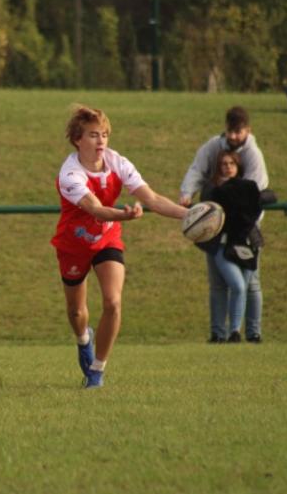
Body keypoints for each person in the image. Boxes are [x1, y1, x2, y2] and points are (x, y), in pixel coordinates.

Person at [51, 105, 188, 389]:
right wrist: (124, 215)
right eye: (92, 135)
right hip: (73, 244)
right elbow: (97, 210)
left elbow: (151, 199)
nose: (101, 141)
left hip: (107, 239)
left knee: (113, 301)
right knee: (77, 314)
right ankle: (83, 339)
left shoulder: (118, 163)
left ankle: (96, 371)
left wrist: (190, 214)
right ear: (77, 139)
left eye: (104, 135)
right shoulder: (70, 174)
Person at [179, 106, 269, 343]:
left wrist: (246, 225)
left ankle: (252, 333)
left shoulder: (253, 156)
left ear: (247, 131)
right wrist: (187, 193)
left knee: (250, 285)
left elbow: (256, 195)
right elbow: (197, 169)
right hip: (217, 233)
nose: (233, 136)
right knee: (220, 285)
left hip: (246, 231)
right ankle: (220, 334)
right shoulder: (213, 151)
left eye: (238, 131)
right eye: (230, 130)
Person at [197, 151, 275, 343]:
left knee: (248, 287)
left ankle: (247, 333)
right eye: (223, 163)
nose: (228, 167)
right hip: (222, 246)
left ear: (238, 166)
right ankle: (226, 332)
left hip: (248, 244)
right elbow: (208, 205)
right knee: (235, 286)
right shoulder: (213, 189)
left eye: (232, 163)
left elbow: (270, 196)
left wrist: (254, 199)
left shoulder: (248, 187)